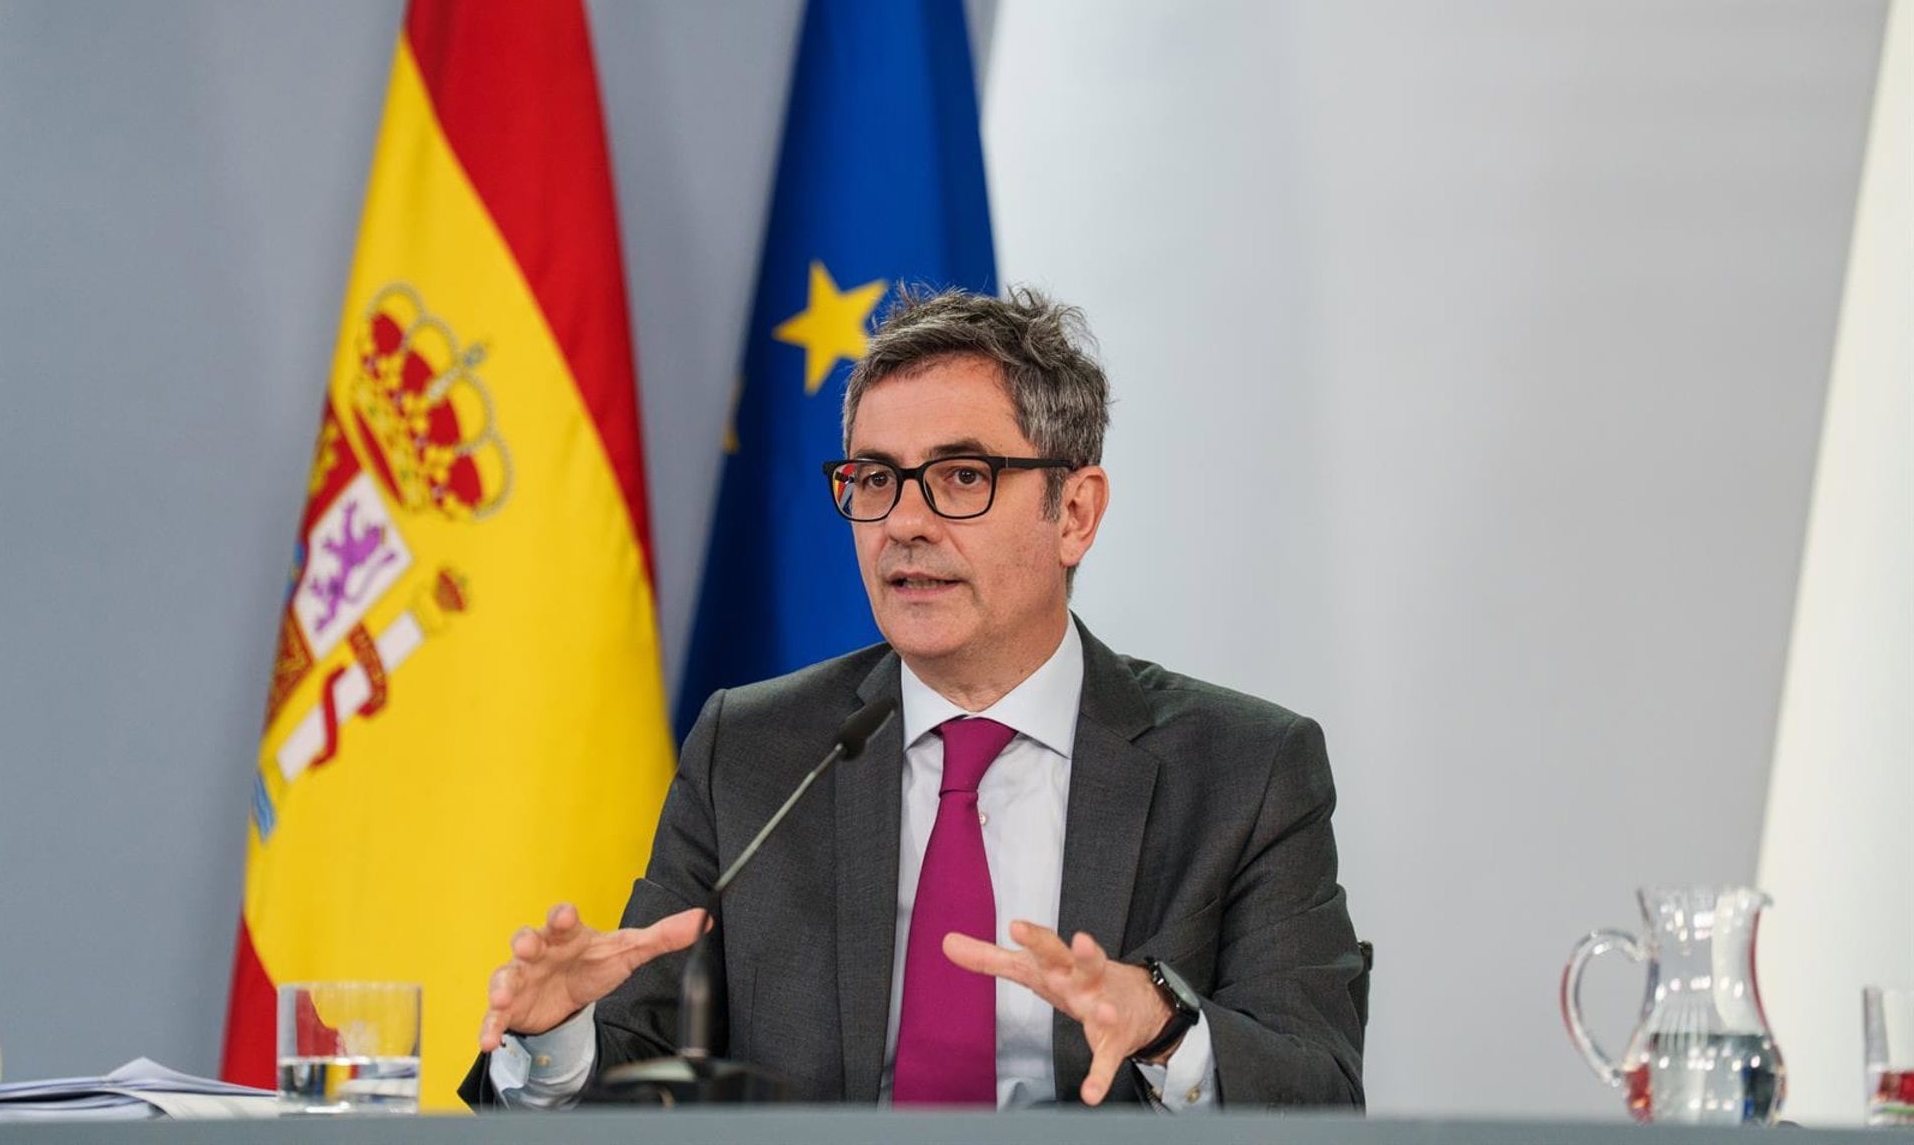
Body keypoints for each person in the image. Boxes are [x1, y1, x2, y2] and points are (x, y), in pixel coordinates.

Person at [463, 289, 1365, 1110]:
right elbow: (642, 1071)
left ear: (1075, 513)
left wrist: (1167, 1029)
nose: (903, 522)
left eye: (962, 476)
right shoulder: (755, 750)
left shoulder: (1244, 770)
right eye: (875, 479)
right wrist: (555, 1038)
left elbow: (1320, 1092)